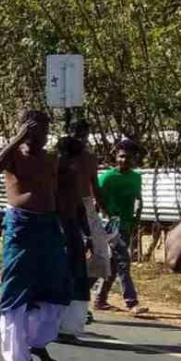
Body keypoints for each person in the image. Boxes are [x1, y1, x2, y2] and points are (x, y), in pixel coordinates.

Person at [0, 110, 71, 361]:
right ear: (26, 129)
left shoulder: (49, 159)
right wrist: (18, 137)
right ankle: (19, 357)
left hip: (48, 225)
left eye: (46, 129)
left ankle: (36, 341)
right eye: (39, 129)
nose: (44, 135)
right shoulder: (13, 155)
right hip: (21, 225)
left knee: (55, 287)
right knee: (16, 291)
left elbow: (57, 192)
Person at [94, 139, 148, 314]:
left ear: (134, 159)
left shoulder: (135, 177)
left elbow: (138, 199)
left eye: (129, 158)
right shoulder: (107, 177)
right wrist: (101, 221)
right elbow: (96, 200)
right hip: (109, 226)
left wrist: (137, 217)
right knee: (124, 261)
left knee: (114, 263)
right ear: (116, 157)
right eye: (122, 157)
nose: (125, 160)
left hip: (126, 224)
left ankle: (99, 299)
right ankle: (131, 302)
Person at [56, 137, 91, 342]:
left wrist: (87, 234)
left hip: (72, 231)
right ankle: (53, 327)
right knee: (58, 278)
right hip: (55, 231)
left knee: (77, 279)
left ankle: (68, 329)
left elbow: (78, 207)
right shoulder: (51, 174)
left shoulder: (74, 175)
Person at [72, 121, 110, 283]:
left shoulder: (90, 158)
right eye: (77, 135)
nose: (81, 139)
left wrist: (106, 211)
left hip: (86, 207)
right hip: (63, 208)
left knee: (101, 251)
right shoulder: (59, 158)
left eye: (84, 136)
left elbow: (95, 187)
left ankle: (83, 292)